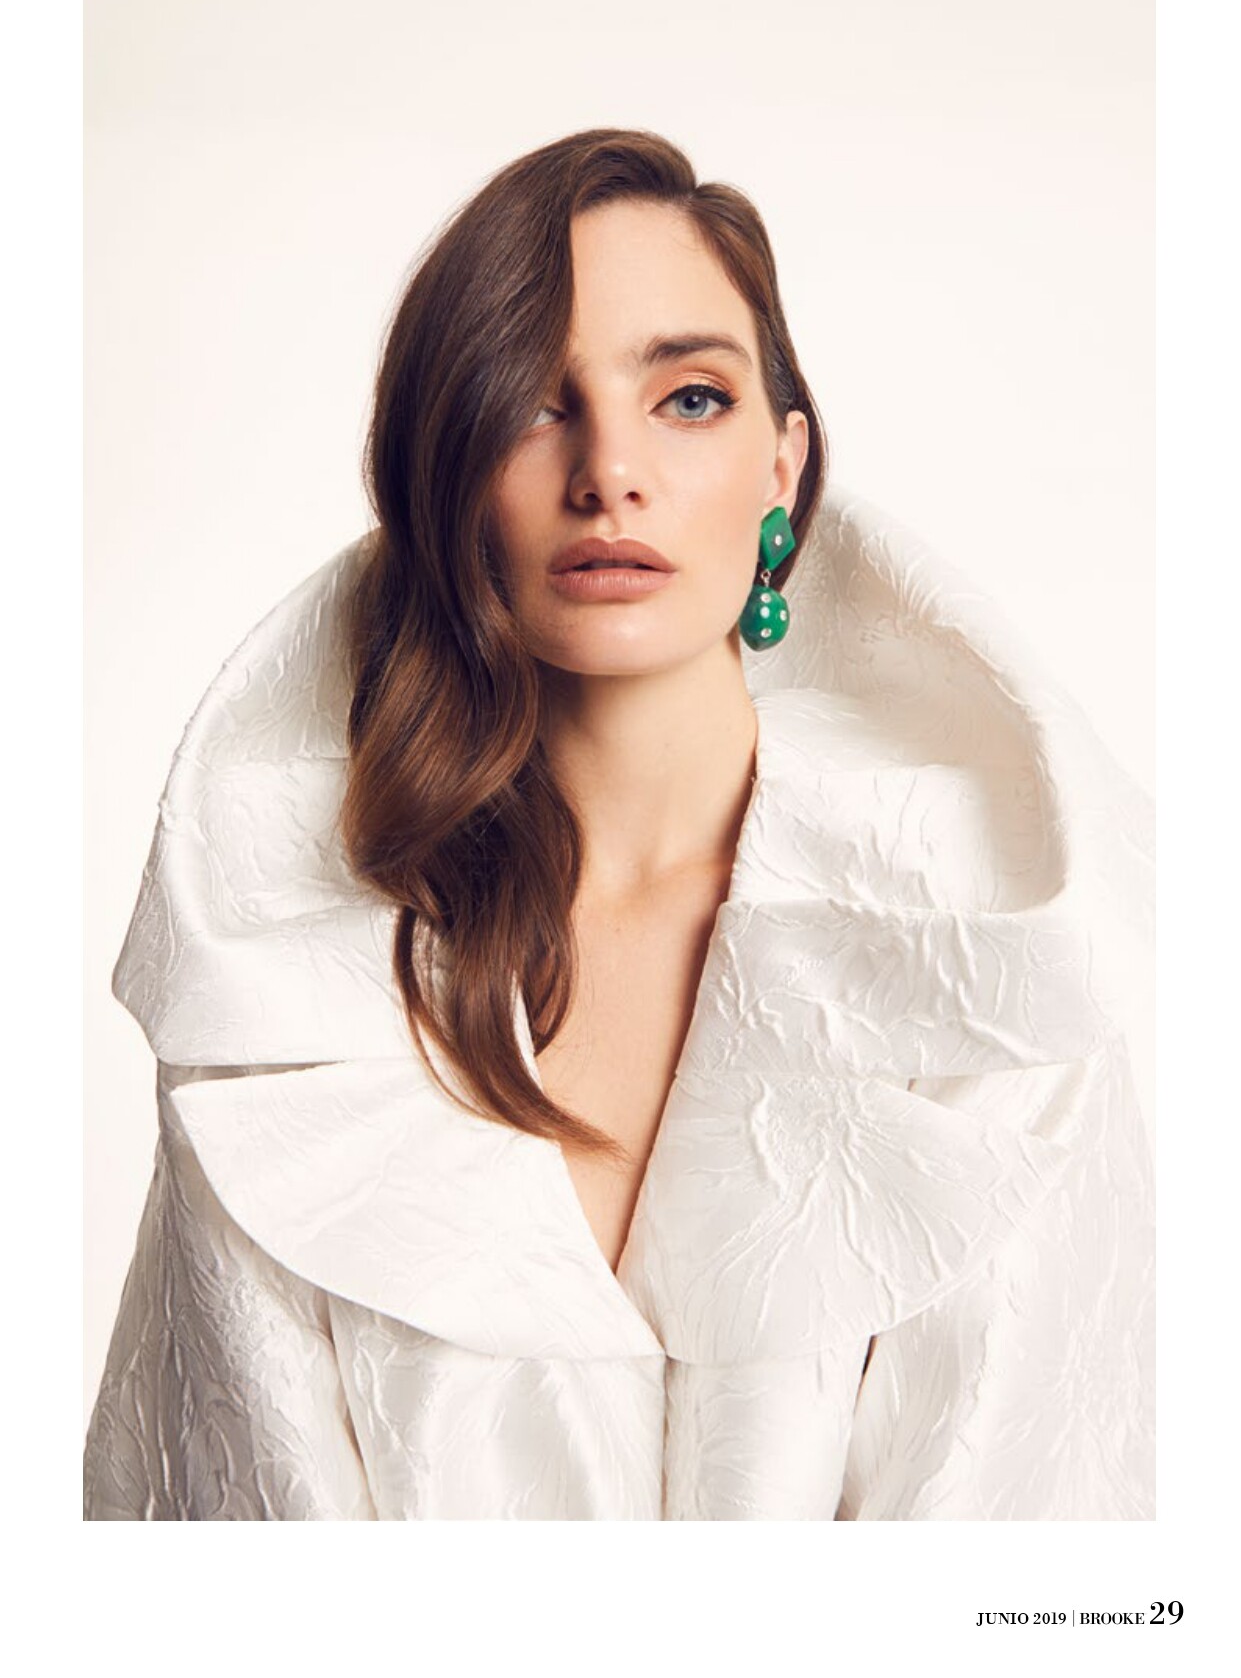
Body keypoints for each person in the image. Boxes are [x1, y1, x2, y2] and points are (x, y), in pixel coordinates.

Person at [83, 127, 1154, 1521]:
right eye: (533, 406)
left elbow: (1037, 1530)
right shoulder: (280, 987)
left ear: (783, 470)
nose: (610, 472)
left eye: (689, 398)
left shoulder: (998, 957)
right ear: (443, 474)